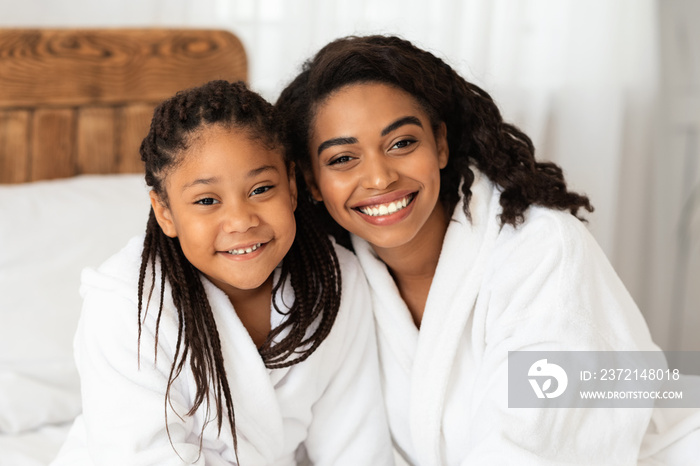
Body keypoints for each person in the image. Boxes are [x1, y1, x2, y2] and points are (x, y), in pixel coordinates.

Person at [276, 35, 700, 465]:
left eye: (402, 143)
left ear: (439, 144)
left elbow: (535, 447)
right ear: (311, 182)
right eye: (342, 159)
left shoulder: (542, 249)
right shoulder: (334, 285)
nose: (380, 178)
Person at [51, 80, 393, 465]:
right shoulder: (126, 303)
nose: (241, 220)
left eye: (261, 189)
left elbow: (355, 444)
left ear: (292, 186)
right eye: (207, 200)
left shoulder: (333, 281)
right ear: (165, 212)